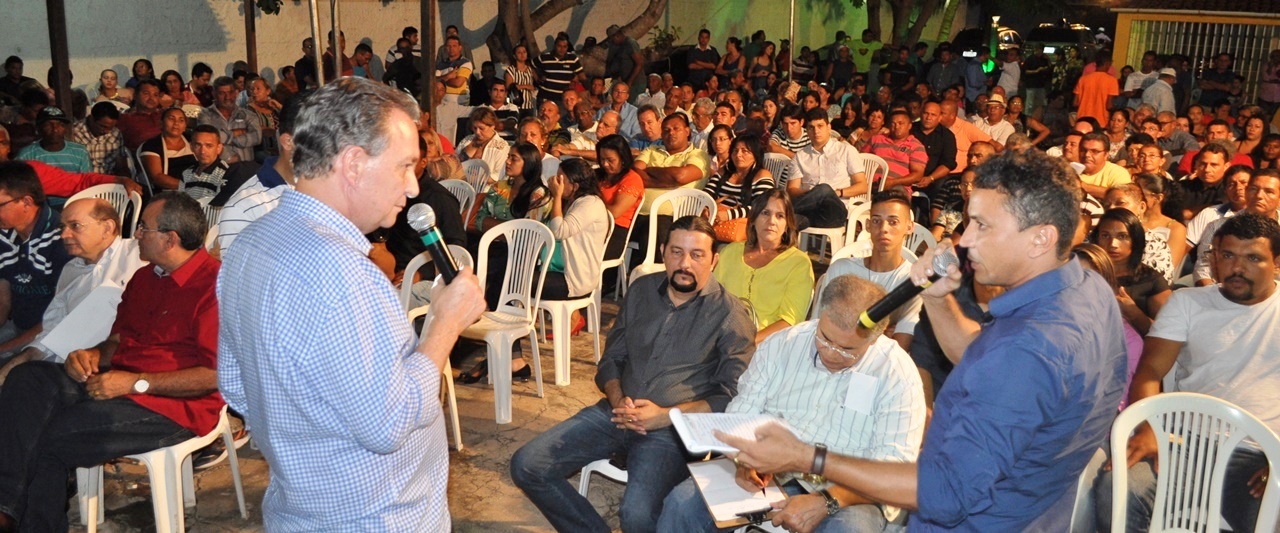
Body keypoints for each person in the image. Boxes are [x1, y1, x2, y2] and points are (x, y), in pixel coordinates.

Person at [721, 150, 1127, 530]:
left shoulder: (1030, 351)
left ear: (1041, 237)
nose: (965, 241)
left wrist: (806, 457)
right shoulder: (1086, 289)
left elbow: (945, 493)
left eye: (983, 226)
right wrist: (937, 298)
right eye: (970, 222)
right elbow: (978, 354)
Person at [216, 77, 486, 531]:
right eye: (404, 166)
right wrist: (444, 324)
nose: (414, 189)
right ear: (354, 163)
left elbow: (236, 386)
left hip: (300, 508)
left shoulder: (251, 243)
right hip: (376, 515)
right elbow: (390, 422)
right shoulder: (342, 272)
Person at [510, 215, 756, 533]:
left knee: (637, 516)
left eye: (697, 255)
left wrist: (668, 416)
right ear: (664, 252)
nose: (685, 263)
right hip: (615, 413)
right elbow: (612, 358)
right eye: (677, 252)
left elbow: (731, 395)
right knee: (528, 464)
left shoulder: (729, 315)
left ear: (714, 260)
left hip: (673, 432)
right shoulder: (641, 291)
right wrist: (617, 398)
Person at [0, 192, 221, 532]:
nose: (136, 236)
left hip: (174, 405)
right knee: (28, 379)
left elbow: (214, 376)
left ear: (170, 238)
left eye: (144, 228)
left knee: (48, 437)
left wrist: (135, 382)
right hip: (117, 381)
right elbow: (117, 341)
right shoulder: (145, 278)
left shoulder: (214, 287)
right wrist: (91, 354)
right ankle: (7, 507)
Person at [658, 274, 926, 532]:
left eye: (848, 350)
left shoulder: (897, 374)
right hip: (770, 472)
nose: (832, 354)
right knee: (680, 505)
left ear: (876, 336)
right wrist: (745, 463)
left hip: (848, 491)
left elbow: (894, 468)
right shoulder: (782, 345)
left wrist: (829, 501)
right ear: (820, 315)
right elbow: (741, 415)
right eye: (825, 338)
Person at [1096, 212, 1280, 533]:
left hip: (1259, 453)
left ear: (1276, 262)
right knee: (1119, 489)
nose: (1237, 268)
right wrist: (1150, 426)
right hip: (1184, 441)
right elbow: (1151, 369)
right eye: (1227, 255)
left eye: (1253, 258)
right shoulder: (1188, 303)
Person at [0, 198, 143, 383]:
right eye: (63, 227)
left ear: (107, 228)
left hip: (118, 367)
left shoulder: (138, 256)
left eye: (75, 226)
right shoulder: (70, 271)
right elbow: (51, 330)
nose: (64, 235)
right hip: (66, 367)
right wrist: (13, 366)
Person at [711, 188, 810, 343]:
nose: (771, 221)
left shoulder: (798, 263)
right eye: (765, 213)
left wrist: (748, 343)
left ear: (787, 224)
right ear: (754, 219)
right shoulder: (730, 252)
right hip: (722, 339)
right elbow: (711, 301)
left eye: (780, 216)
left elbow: (790, 321)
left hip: (767, 346)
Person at [0, 162, 72, 352]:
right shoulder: (5, 234)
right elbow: (3, 299)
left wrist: (4, 348)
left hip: (49, 339)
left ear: (26, 202)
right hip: (18, 328)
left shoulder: (63, 240)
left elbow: (60, 317)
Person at [215, 96, 301, 256]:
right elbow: (236, 277)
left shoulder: (332, 190)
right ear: (288, 142)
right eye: (320, 140)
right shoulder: (244, 209)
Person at [541, 158, 609, 335]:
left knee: (516, 282)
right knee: (512, 272)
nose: (556, 182)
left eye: (561, 179)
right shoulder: (573, 200)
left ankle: (516, 331)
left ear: (575, 185)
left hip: (575, 279)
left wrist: (556, 196)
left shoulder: (590, 204)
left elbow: (558, 231)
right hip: (560, 270)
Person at [1092, 207, 1171, 335]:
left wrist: (1134, 314)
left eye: (1122, 236)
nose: (1113, 244)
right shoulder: (1085, 272)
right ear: (1096, 238)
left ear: (1135, 240)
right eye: (1105, 236)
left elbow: (1169, 334)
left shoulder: (1150, 279)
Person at [785, 109, 867, 229]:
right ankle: (782, 219)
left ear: (829, 127)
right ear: (807, 130)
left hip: (835, 211)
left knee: (824, 189)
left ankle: (781, 212)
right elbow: (792, 189)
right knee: (798, 220)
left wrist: (835, 193)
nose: (816, 131)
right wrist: (814, 194)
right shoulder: (800, 156)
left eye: (820, 126)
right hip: (809, 211)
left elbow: (862, 186)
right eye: (811, 127)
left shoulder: (846, 151)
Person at [595, 134, 644, 260]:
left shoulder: (632, 179)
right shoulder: (597, 175)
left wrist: (592, 201)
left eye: (610, 160)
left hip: (614, 231)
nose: (605, 164)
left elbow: (615, 212)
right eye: (602, 159)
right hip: (592, 226)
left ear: (622, 159)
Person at [197, 77, 261, 164]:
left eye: (230, 92)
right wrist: (234, 134)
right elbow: (206, 138)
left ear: (236, 93)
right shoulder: (205, 115)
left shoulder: (248, 115)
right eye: (222, 93)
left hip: (246, 168)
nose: (227, 97)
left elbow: (257, 137)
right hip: (216, 169)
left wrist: (223, 140)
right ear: (214, 94)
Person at [17, 106, 92, 173]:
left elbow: (87, 182)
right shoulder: (26, 155)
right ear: (38, 128)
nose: (55, 129)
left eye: (60, 125)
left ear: (65, 128)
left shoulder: (80, 152)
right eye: (48, 125)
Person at [139, 108, 198, 191]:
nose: (176, 123)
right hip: (169, 193)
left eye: (181, 120)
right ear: (161, 123)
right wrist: (187, 185)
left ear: (185, 126)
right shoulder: (152, 145)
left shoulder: (192, 140)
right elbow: (157, 177)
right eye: (171, 118)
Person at [869, 109, 928, 190]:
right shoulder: (876, 139)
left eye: (901, 123)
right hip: (869, 184)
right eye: (893, 123)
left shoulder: (916, 147)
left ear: (909, 126)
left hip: (897, 188)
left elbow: (917, 176)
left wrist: (893, 182)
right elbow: (860, 159)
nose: (896, 127)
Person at [458, 107, 512, 188]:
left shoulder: (502, 147)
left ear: (492, 126)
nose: (477, 132)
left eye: (481, 128)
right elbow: (455, 161)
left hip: (487, 192)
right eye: (474, 128)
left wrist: (470, 179)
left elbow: (498, 176)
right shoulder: (467, 140)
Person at [1079, 132, 1134, 199]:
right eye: (1083, 150)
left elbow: (1122, 196)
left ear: (1106, 155)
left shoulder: (1117, 172)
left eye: (1094, 151)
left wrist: (1083, 186)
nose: (1087, 155)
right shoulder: (1069, 170)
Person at [505, 44, 538, 112]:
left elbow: (534, 86)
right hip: (515, 105)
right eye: (519, 52)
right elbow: (510, 88)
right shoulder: (511, 70)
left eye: (524, 52)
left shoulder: (530, 69)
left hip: (529, 105)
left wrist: (521, 86)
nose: (522, 54)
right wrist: (527, 86)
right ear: (514, 55)